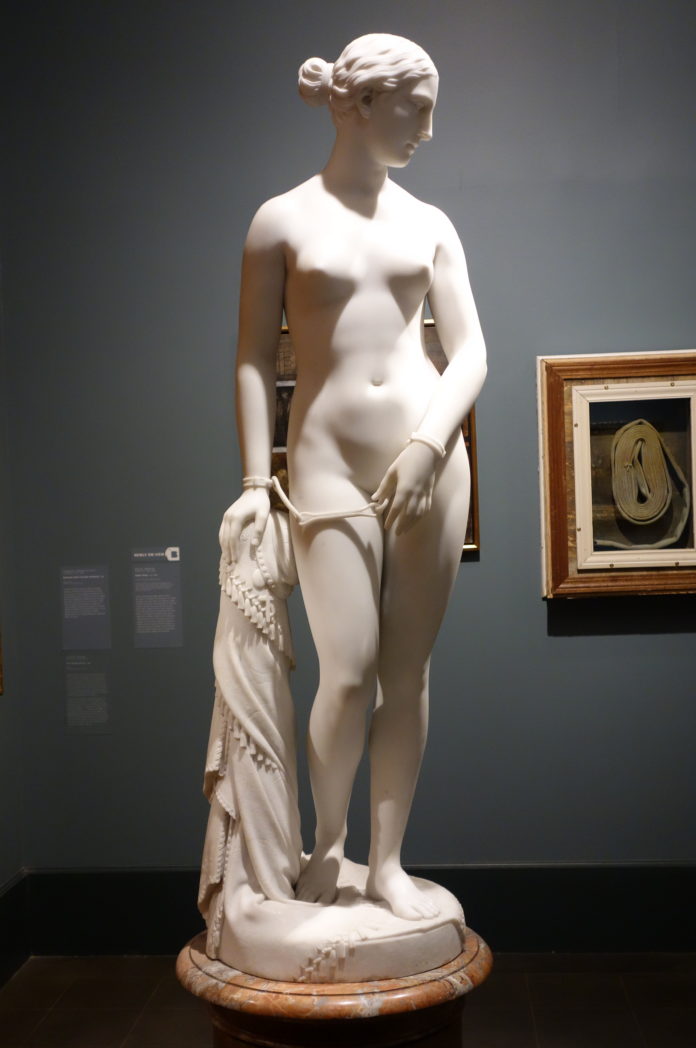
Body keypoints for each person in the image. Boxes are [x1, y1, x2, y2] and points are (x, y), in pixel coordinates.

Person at [219, 33, 487, 921]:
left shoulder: (431, 223)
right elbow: (252, 358)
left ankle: (389, 863)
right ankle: (328, 843)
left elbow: (471, 353)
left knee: (406, 674)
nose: (428, 130)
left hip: (427, 462)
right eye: (417, 109)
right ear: (363, 104)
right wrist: (254, 481)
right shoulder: (280, 221)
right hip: (326, 458)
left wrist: (430, 446)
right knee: (347, 669)